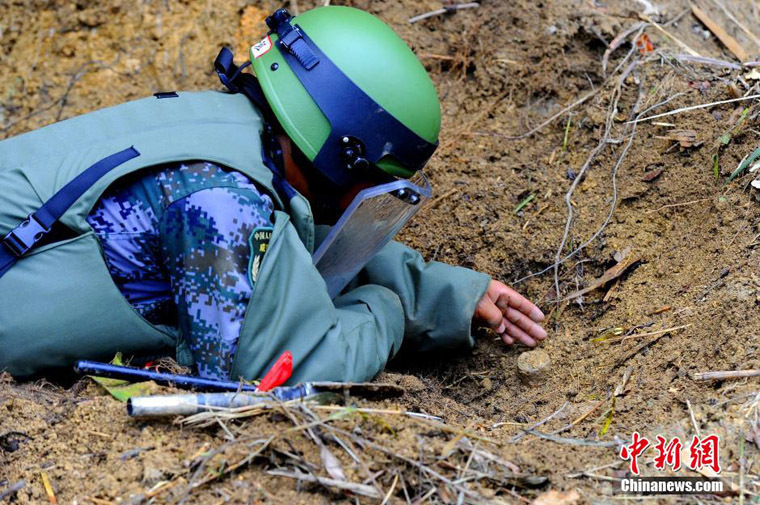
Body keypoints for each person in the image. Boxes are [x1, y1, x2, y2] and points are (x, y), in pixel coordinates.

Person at [0, 6, 546, 382]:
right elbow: (279, 374)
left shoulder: (226, 133)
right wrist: (386, 311)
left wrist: (443, 293)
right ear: (341, 154)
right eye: (377, 180)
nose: (372, 195)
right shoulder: (224, 203)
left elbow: (307, 241)